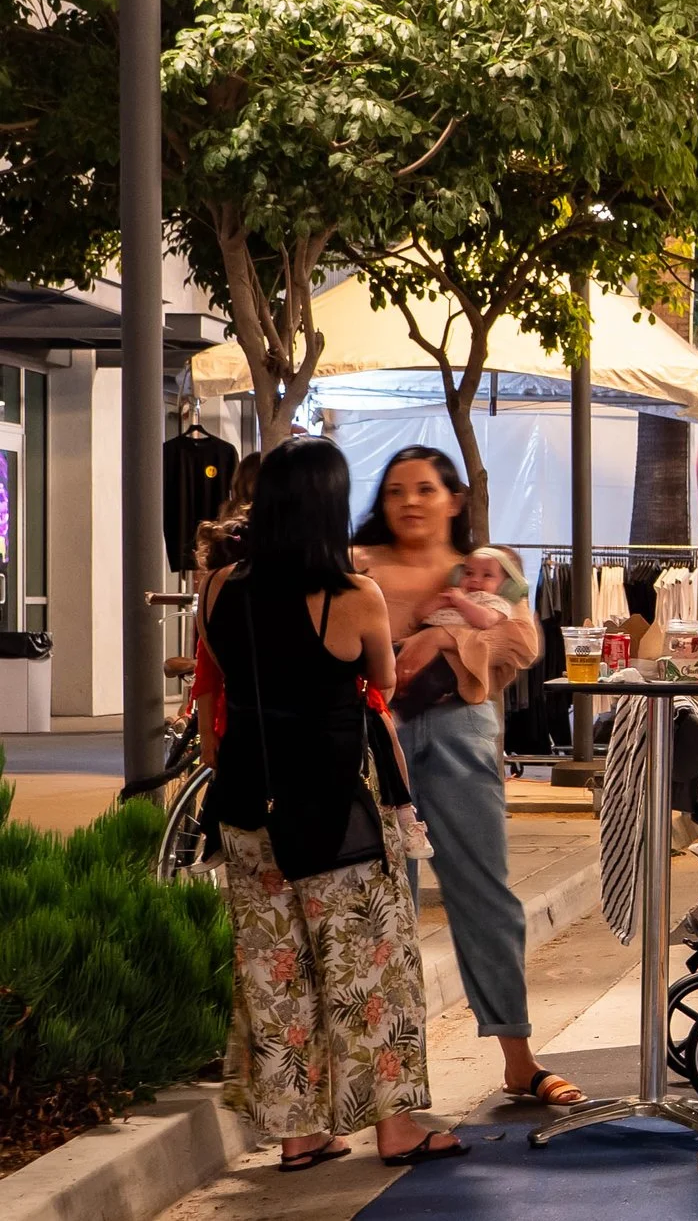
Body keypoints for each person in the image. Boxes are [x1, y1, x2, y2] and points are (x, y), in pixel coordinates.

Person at [200, 437, 464, 1171]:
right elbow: (379, 675)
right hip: (335, 804)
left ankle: (300, 1133)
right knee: (367, 967)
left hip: (249, 800)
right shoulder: (354, 596)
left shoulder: (220, 587)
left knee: (273, 968)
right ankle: (396, 1128)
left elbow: (220, 672)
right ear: (329, 506)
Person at [352, 447, 579, 1111]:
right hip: (373, 742)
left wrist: (443, 641)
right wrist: (413, 650)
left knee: (487, 896)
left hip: (459, 738)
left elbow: (524, 645)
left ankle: (519, 1058)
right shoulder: (355, 564)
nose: (410, 502)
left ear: (454, 498)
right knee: (381, 907)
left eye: (425, 488)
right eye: (396, 491)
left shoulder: (486, 568)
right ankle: (390, 1082)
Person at [419, 547, 527, 632]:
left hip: (451, 651)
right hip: (425, 632)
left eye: (487, 575)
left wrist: (461, 602)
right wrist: (440, 601)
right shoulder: (457, 593)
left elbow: (485, 621)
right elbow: (420, 614)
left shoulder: (498, 603)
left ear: (507, 585)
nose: (474, 579)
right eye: (469, 573)